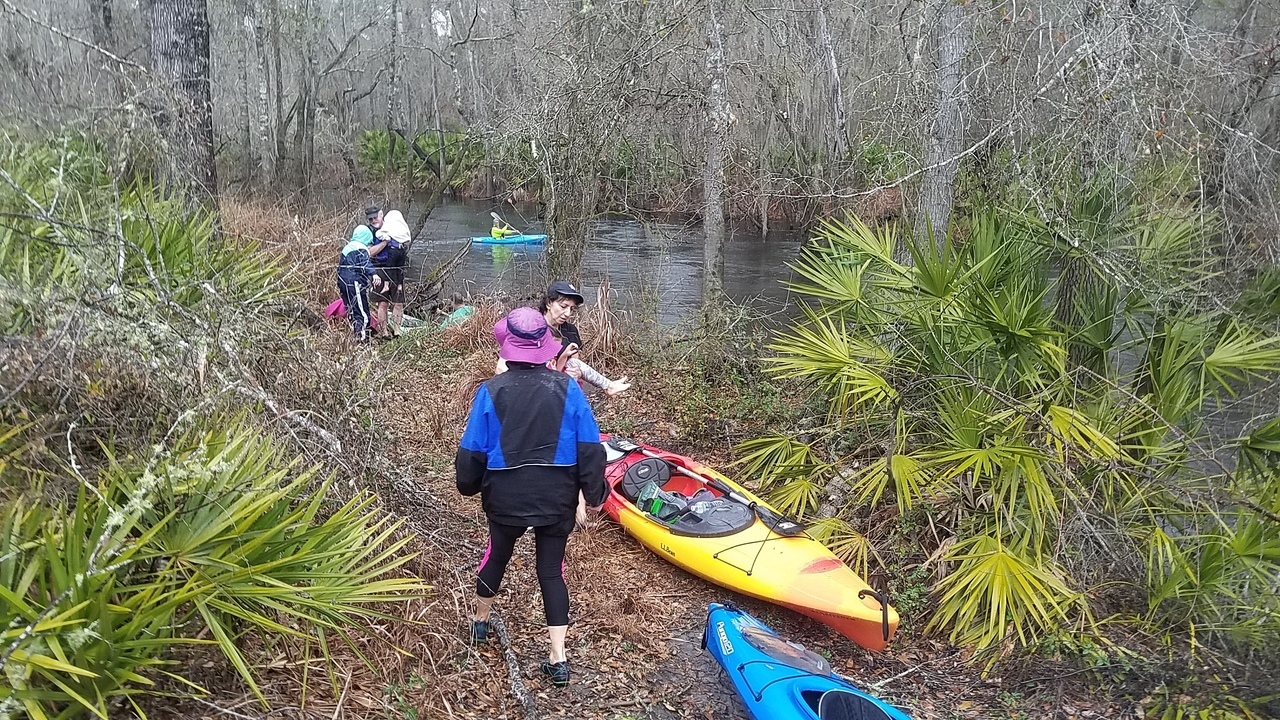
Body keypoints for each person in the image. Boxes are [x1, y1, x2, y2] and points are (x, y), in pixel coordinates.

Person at [457, 307, 607, 688]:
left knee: (497, 555)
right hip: (556, 495)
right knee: (551, 571)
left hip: (505, 494)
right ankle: (558, 658)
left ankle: (479, 623)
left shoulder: (490, 392)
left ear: (507, 348)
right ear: (546, 348)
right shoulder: (568, 389)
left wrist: (469, 485)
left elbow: (472, 451)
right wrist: (593, 493)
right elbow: (590, 447)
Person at [540, 281, 631, 397]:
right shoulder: (531, 328)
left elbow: (574, 362)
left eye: (572, 309)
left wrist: (577, 372)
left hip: (562, 387)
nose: (568, 313)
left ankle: (609, 386)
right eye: (563, 306)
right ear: (549, 303)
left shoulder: (571, 331)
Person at [335, 226, 383, 342]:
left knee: (351, 310)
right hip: (354, 282)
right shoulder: (360, 248)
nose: (370, 245)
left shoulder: (347, 247)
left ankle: (354, 337)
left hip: (343, 282)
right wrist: (374, 274)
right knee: (362, 312)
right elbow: (365, 262)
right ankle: (362, 340)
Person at [372, 209, 411, 337]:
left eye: (375, 218)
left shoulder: (395, 226)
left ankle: (397, 331)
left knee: (398, 302)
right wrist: (385, 242)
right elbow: (369, 252)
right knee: (383, 303)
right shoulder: (371, 232)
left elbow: (406, 242)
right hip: (380, 270)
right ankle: (384, 332)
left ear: (381, 215)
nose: (373, 221)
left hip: (397, 270)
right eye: (370, 219)